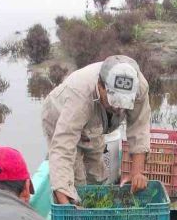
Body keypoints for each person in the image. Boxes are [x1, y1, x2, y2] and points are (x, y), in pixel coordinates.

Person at [42, 54, 152, 205]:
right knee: (76, 182)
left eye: (122, 103)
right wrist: (64, 198)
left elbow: (139, 127)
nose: (118, 108)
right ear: (100, 86)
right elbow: (63, 148)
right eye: (113, 102)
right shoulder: (80, 95)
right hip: (60, 116)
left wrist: (137, 172)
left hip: (96, 123)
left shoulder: (139, 87)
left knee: (97, 175)